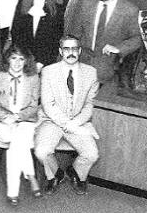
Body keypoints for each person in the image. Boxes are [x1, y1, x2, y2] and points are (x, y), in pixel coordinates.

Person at [34, 35, 100, 195]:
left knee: (92, 154)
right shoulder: (48, 71)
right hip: (51, 120)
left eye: (74, 49)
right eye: (66, 49)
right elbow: (48, 105)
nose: (71, 52)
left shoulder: (91, 73)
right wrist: (66, 123)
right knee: (41, 151)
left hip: (78, 122)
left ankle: (76, 172)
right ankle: (55, 174)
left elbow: (89, 104)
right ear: (60, 51)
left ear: (80, 51)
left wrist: (75, 123)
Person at [0, 45, 42, 204]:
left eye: (21, 59)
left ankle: (13, 192)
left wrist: (18, 117)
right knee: (20, 140)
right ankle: (30, 175)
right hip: (1, 121)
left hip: (25, 120)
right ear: (8, 60)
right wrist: (7, 118)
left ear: (26, 61)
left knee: (16, 142)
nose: (17, 63)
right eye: (14, 58)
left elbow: (33, 106)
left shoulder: (33, 78)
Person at [77, 0, 142, 86]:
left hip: (108, 69)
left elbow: (137, 39)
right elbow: (77, 33)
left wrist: (119, 48)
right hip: (82, 67)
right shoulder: (86, 6)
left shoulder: (129, 10)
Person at [11, 0, 63, 70]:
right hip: (23, 61)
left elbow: (56, 40)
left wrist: (42, 62)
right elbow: (16, 34)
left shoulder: (57, 10)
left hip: (46, 63)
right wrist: (24, 59)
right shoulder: (21, 5)